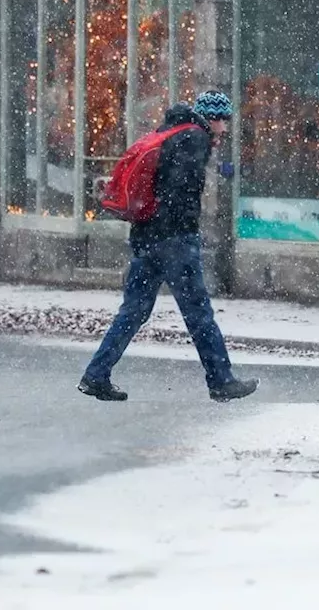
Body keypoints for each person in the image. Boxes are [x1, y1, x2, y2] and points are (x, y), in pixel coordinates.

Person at [78, 91, 258, 403]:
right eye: (221, 119)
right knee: (199, 314)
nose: (224, 128)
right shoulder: (194, 138)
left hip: (146, 237)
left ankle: (96, 374)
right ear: (208, 118)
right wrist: (183, 230)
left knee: (133, 311)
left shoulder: (168, 133)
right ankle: (221, 380)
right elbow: (179, 191)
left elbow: (160, 189)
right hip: (173, 241)